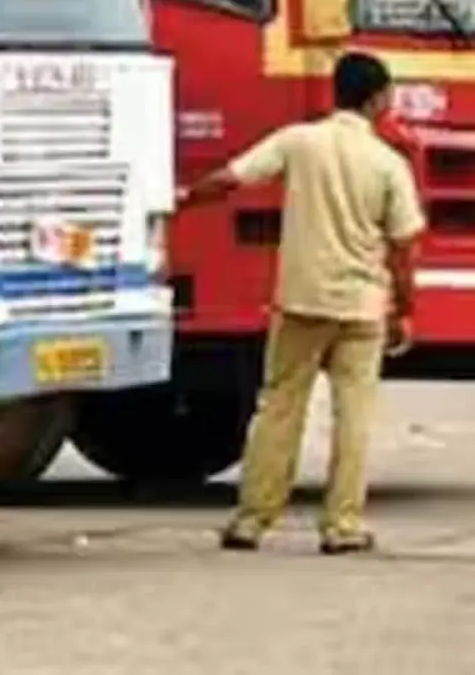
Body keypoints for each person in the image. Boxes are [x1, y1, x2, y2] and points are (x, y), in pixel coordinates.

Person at [180, 50, 425, 555]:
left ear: (335, 92)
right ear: (380, 99)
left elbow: (230, 179)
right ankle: (343, 525)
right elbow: (403, 247)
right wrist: (405, 308)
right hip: (361, 307)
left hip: (301, 302)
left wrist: (182, 196)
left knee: (279, 408)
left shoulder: (299, 142)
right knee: (353, 417)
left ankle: (252, 519)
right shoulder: (388, 163)